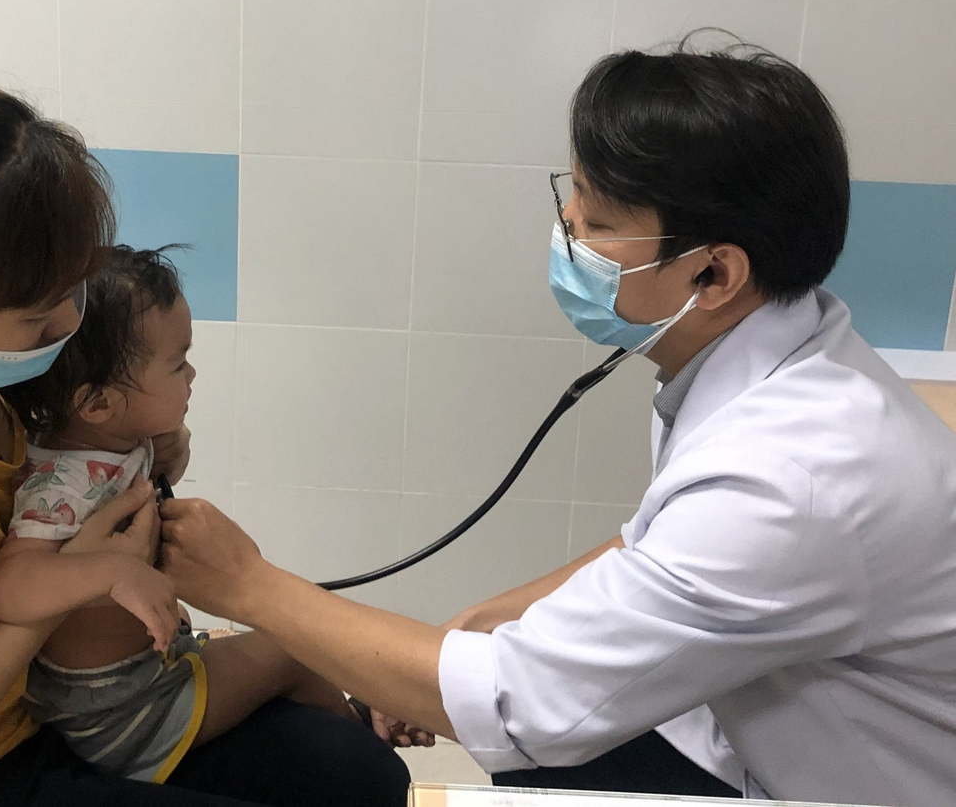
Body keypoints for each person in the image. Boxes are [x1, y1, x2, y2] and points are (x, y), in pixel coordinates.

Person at [157, 41, 956, 807]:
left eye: (598, 222)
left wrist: (249, 585)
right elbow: (651, 546)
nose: (568, 226)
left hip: (848, 787)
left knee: (519, 753)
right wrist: (470, 628)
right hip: (756, 723)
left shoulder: (789, 481)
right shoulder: (782, 358)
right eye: (572, 196)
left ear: (713, 272)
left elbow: (522, 705)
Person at [0, 84, 409, 807]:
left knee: (364, 776)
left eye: (74, 291)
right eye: (38, 319)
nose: (66, 328)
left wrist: (150, 446)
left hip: (44, 700)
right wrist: (75, 580)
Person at [0, 244, 361, 783]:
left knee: (258, 649)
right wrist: (115, 574)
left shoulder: (108, 440)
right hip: (121, 715)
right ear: (97, 404)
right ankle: (364, 728)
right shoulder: (61, 485)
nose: (192, 374)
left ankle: (355, 721)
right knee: (291, 652)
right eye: (177, 364)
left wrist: (163, 452)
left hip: (130, 682)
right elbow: (8, 587)